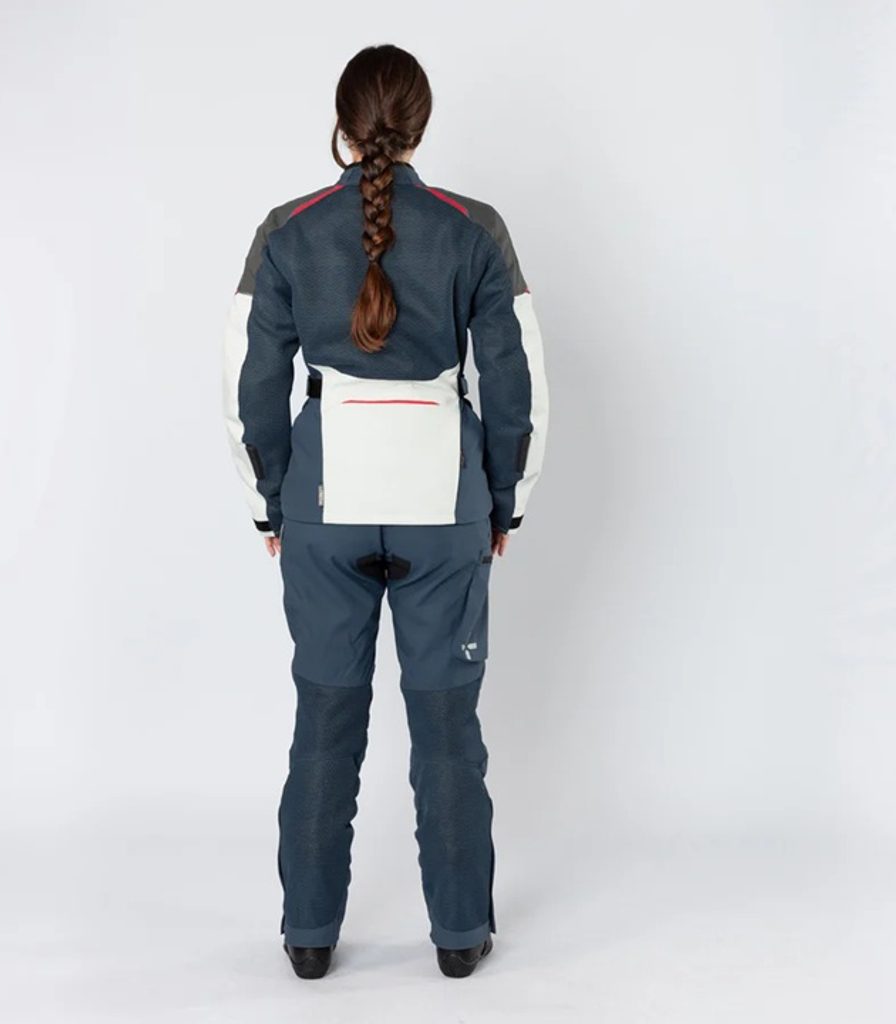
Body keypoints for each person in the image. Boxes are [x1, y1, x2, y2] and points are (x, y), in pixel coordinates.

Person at [221, 43, 548, 979]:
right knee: (446, 729)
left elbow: (249, 388)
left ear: (342, 121)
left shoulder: (286, 230)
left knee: (325, 721)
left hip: (323, 506)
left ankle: (308, 936)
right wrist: (505, 504)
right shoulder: (475, 228)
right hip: (444, 505)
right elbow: (518, 384)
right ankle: (459, 937)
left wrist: (270, 506)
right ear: (420, 123)